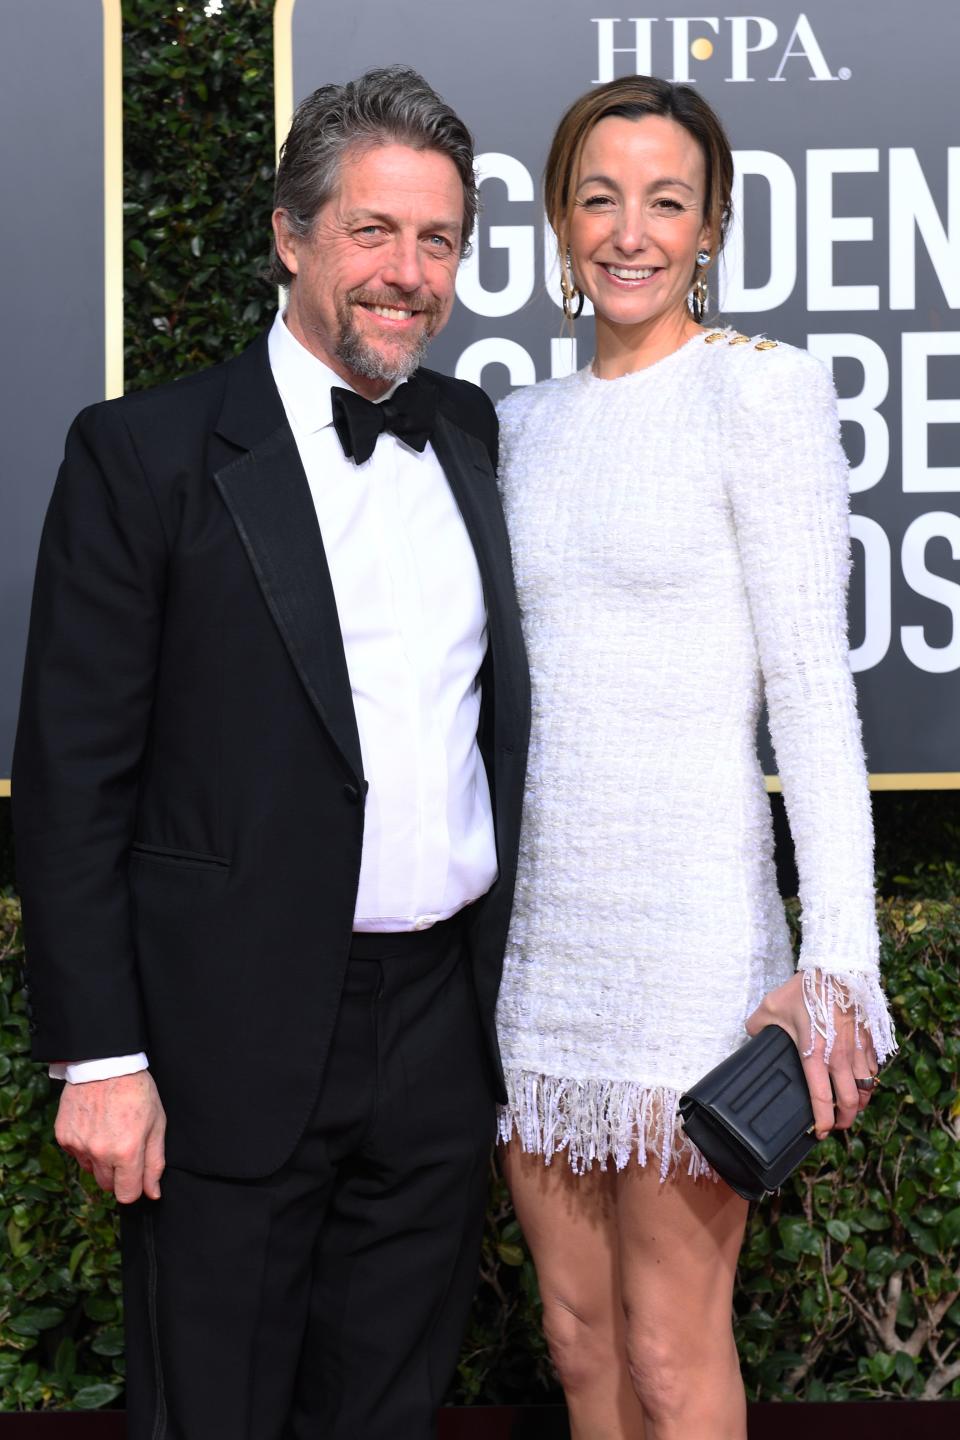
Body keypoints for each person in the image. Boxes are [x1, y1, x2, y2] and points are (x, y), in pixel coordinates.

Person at [13, 66, 529, 1440]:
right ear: (291, 238)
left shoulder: (473, 435)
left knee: (389, 1410)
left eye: (436, 241)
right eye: (372, 231)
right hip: (221, 1034)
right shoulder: (146, 454)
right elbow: (74, 776)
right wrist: (101, 1058)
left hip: (436, 1035)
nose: (406, 273)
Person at [494, 75, 896, 1440]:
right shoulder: (522, 427)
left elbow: (814, 695)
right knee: (578, 1339)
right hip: (538, 953)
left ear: (711, 222)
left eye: (665, 201)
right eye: (599, 197)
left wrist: (839, 959)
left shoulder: (759, 394)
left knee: (671, 1353)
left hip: (687, 953)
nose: (630, 231)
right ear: (558, 219)